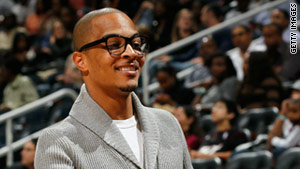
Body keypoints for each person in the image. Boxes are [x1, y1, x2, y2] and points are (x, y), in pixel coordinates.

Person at [35, 8, 193, 169]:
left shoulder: (168, 123)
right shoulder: (59, 141)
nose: (132, 53)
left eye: (136, 44)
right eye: (114, 45)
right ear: (81, 61)